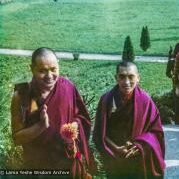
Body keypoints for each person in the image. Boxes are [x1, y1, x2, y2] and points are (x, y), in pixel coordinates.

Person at [11, 47, 92, 178]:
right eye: (42, 71)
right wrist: (41, 126)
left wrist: (74, 127)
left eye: (53, 69)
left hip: (67, 162)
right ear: (32, 68)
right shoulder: (22, 95)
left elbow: (82, 117)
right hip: (39, 168)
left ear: (58, 65)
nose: (49, 76)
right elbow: (17, 138)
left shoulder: (68, 87)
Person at [93, 62, 165, 179]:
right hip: (114, 157)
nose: (126, 82)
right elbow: (99, 132)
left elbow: (157, 134)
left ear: (138, 77)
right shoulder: (106, 100)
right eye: (122, 77)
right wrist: (116, 148)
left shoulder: (145, 101)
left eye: (131, 77)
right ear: (116, 78)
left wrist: (140, 146)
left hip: (138, 158)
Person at [166, 42, 179, 124]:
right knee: (177, 102)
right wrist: (172, 75)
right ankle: (178, 121)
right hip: (176, 83)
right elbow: (167, 73)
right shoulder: (172, 61)